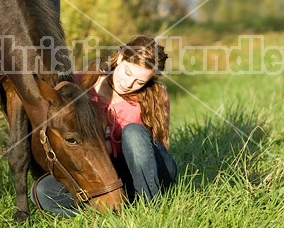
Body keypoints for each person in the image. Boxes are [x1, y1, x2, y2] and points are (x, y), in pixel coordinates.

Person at [31, 36, 177, 217]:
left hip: (151, 168)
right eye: (128, 72)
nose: (128, 84)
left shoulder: (155, 95)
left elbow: (157, 144)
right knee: (44, 191)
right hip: (111, 173)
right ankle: (109, 208)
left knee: (133, 133)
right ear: (120, 58)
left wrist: (108, 146)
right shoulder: (82, 84)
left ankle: (149, 208)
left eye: (140, 82)